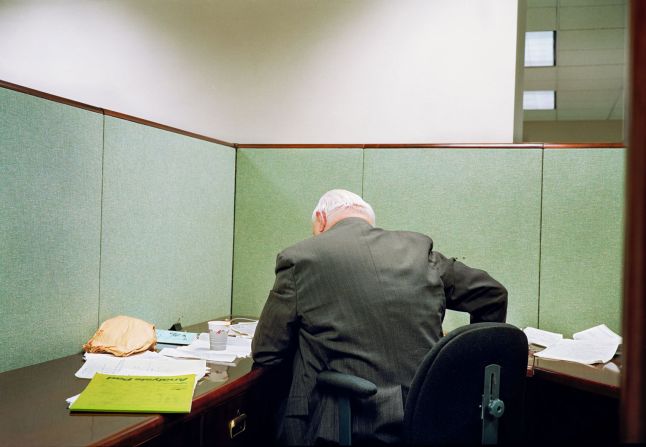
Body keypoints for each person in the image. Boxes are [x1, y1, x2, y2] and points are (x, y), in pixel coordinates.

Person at [251, 189, 508, 445]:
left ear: (320, 219)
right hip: (425, 418)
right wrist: (471, 377)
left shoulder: (299, 258)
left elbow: (266, 352)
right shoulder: (419, 252)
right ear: (368, 221)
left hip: (341, 425)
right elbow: (492, 294)